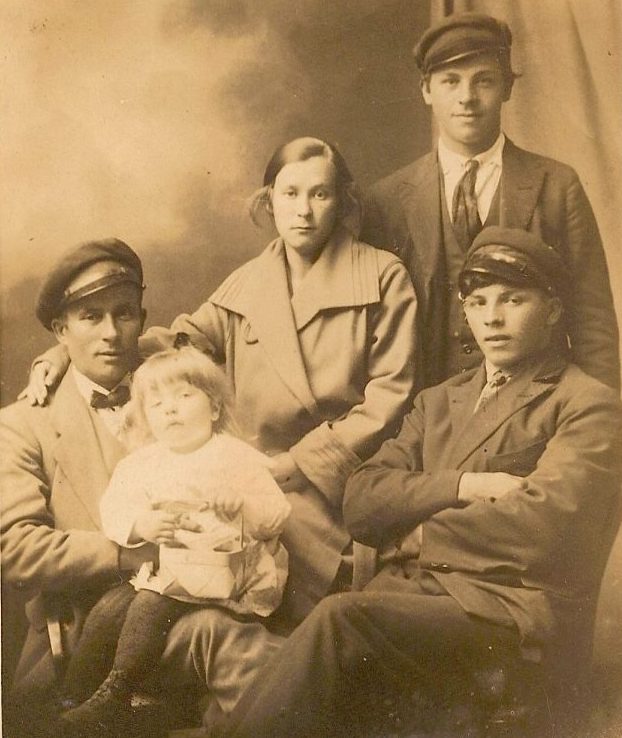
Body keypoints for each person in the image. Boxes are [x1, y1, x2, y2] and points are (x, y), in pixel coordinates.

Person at [220, 227, 622, 738]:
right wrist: (461, 486)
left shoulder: (586, 403)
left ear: (553, 310)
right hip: (420, 592)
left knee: (338, 621)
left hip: (509, 610)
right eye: (478, 303)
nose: (492, 318)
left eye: (513, 300)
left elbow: (546, 525)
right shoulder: (441, 400)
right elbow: (361, 499)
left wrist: (418, 535)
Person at [22, 136, 419, 625]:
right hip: (255, 472)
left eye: (320, 194)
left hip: (338, 476)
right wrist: (67, 352)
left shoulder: (381, 276)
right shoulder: (247, 284)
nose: (304, 211)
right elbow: (176, 342)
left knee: (310, 592)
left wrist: (303, 462)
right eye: (290, 194)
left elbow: (390, 398)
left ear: (341, 201)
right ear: (269, 201)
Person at [0, 240, 283, 736]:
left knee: (232, 646)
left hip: (204, 591)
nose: (111, 333)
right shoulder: (22, 425)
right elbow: (16, 548)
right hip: (89, 628)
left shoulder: (172, 381)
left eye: (124, 314)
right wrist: (130, 552)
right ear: (61, 331)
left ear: (142, 320)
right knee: (222, 643)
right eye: (90, 317)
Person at [362, 12, 620, 391]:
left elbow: (593, 322)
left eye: (483, 80)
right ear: (427, 90)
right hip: (424, 410)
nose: (467, 97)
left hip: (536, 407)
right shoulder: (386, 201)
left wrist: (599, 414)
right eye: (451, 81)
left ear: (507, 88)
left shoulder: (556, 186)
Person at [55, 346, 291, 733]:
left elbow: (277, 513)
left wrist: (243, 505)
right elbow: (114, 511)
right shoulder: (142, 463)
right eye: (157, 403)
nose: (170, 409)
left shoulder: (235, 456)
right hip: (171, 573)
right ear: (146, 416)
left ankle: (118, 693)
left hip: (229, 577)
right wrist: (142, 524)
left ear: (214, 408)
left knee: (150, 603)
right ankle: (72, 698)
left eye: (183, 396)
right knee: (110, 607)